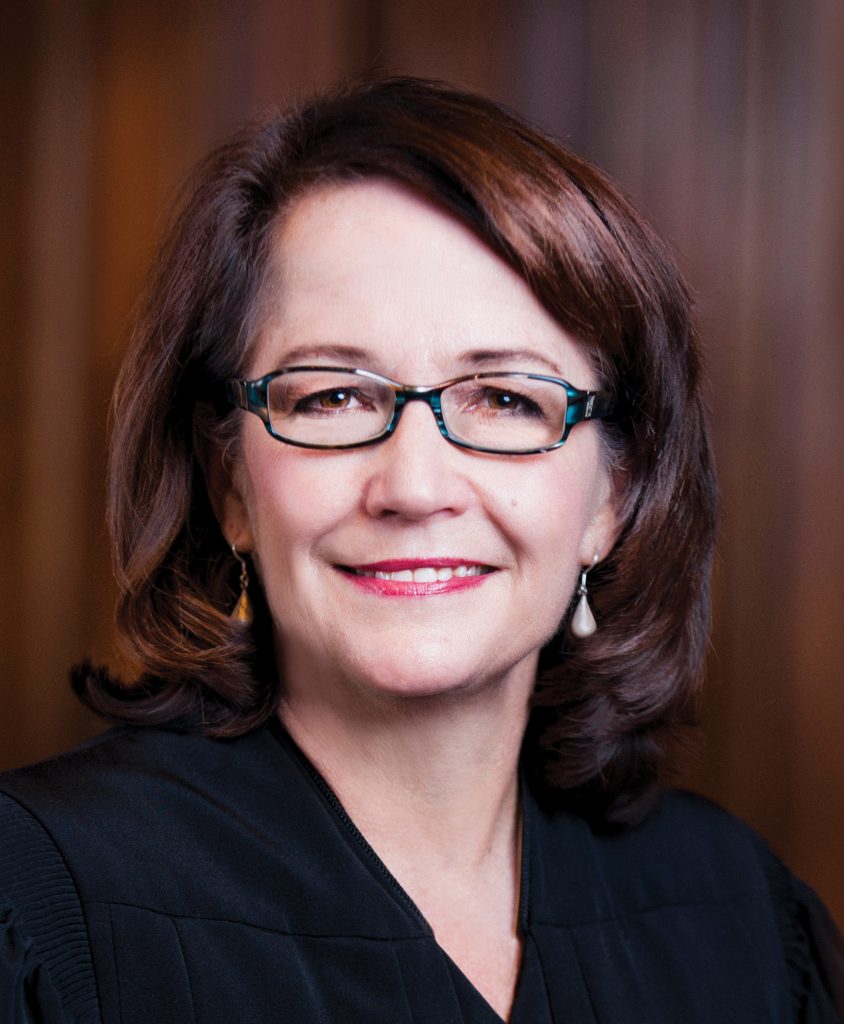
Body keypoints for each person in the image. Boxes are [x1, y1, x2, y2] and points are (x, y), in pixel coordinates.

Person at [1, 76, 841, 1024]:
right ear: (231, 485)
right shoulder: (43, 900)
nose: (413, 486)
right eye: (331, 397)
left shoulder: (739, 920)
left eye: (508, 400)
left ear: (613, 494)